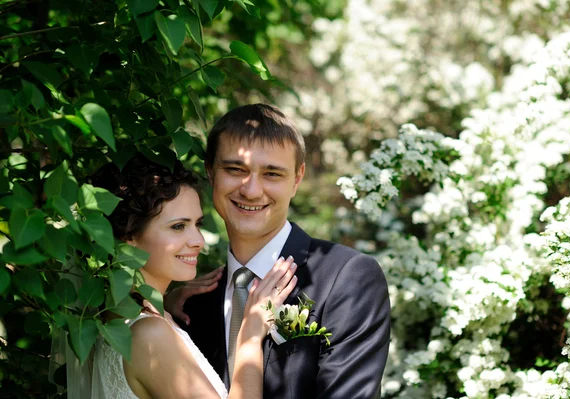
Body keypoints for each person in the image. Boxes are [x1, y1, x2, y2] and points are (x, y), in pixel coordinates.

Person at [166, 104, 391, 399]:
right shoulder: (189, 306)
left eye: (272, 174)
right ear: (210, 172)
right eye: (236, 169)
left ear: (297, 179)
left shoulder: (347, 278)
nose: (251, 190)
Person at [87, 154, 297, 398]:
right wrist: (250, 334)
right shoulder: (150, 335)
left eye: (197, 224)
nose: (198, 241)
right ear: (128, 235)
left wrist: (163, 301)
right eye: (178, 226)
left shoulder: (115, 318)